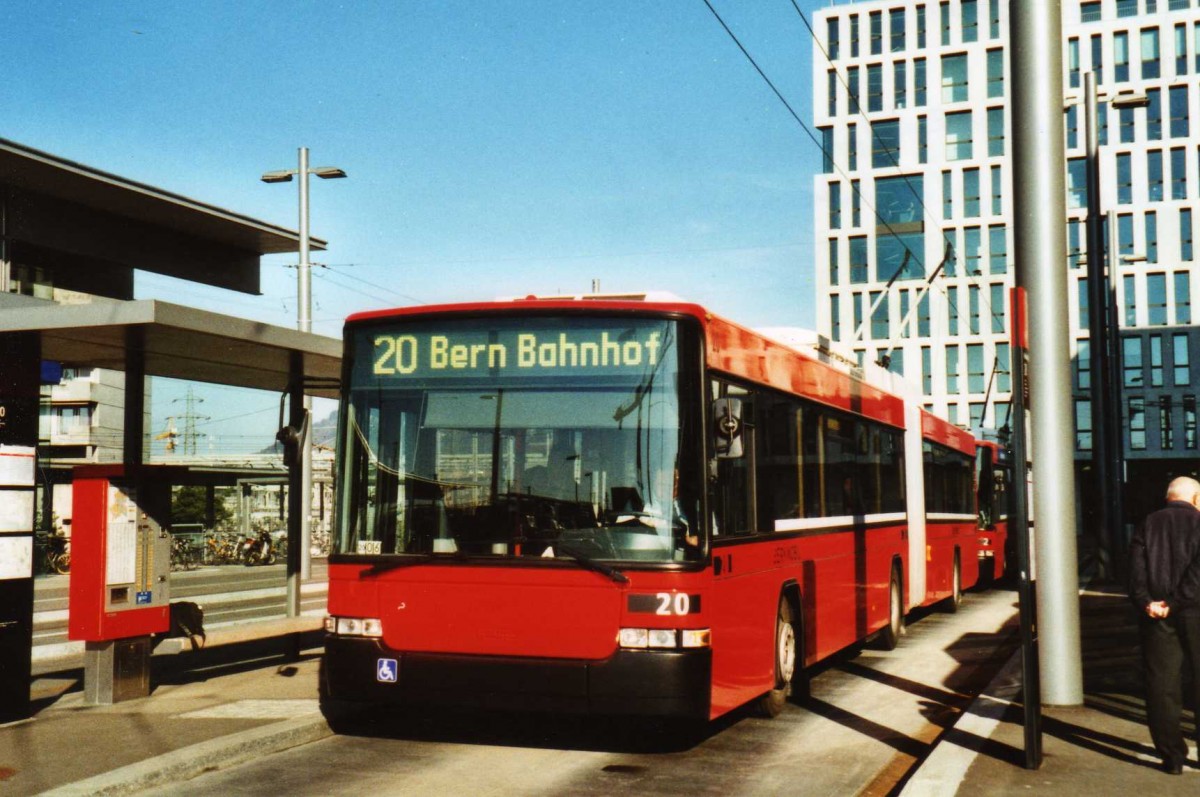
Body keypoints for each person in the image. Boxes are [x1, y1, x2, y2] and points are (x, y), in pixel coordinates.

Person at [1128, 475, 1200, 774]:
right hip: (1195, 610)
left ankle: (1171, 756)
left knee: (1162, 683)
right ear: (1195, 498)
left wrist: (1148, 601)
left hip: (1156, 614)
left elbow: (1135, 568)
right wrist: (1178, 601)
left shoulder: (1148, 523)